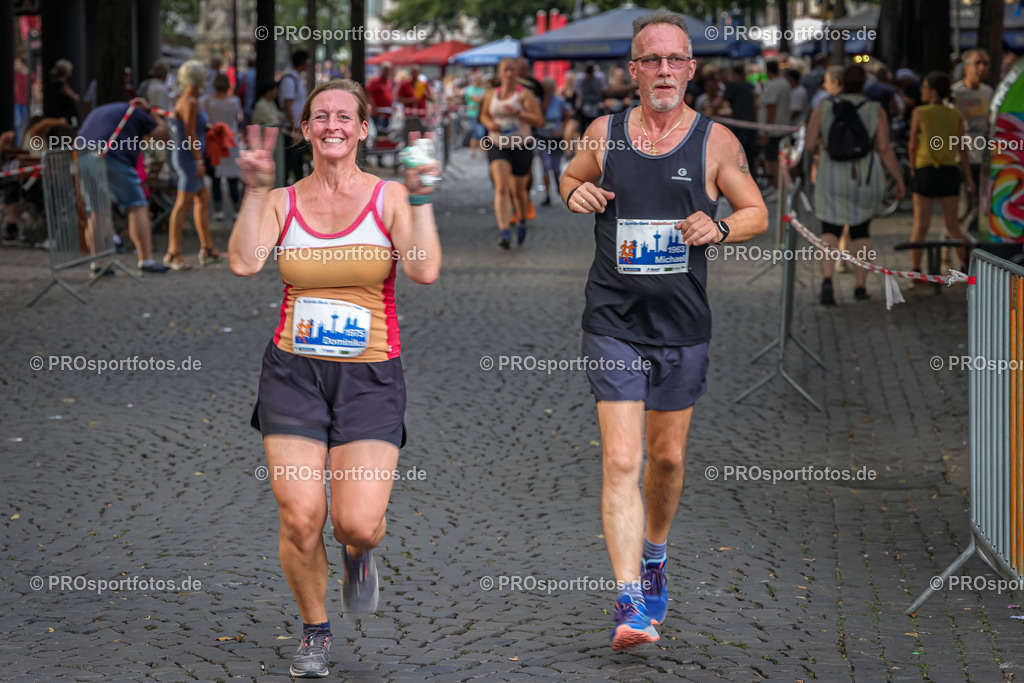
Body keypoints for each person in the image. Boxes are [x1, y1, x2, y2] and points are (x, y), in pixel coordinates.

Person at [560, 9, 768, 651]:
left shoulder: (715, 142)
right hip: (613, 317)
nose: (664, 70)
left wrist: (722, 227)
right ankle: (629, 603)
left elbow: (757, 211)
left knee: (668, 457)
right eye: (651, 60)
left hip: (682, 322)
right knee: (623, 457)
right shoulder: (605, 131)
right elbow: (570, 177)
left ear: (691, 69)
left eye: (675, 59)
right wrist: (576, 194)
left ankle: (654, 556)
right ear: (633, 70)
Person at [227, 78, 441, 680]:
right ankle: (315, 631)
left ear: (363, 128)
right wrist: (252, 189)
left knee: (356, 523)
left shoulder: (390, 196)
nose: (332, 126)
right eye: (320, 116)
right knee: (300, 517)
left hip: (371, 376)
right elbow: (245, 262)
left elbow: (423, 271)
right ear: (305, 130)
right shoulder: (281, 200)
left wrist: (422, 200)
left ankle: (358, 556)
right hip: (293, 373)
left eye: (344, 116)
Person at [805, 64, 906, 304]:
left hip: (830, 173)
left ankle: (827, 280)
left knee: (829, 229)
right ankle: (860, 286)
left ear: (838, 83)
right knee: (861, 230)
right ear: (864, 84)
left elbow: (809, 145)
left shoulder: (824, 107)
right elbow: (884, 148)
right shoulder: (875, 109)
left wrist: (824, 146)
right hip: (864, 175)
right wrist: (899, 179)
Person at [75, 98, 171, 273]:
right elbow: (162, 136)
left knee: (97, 209)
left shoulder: (103, 110)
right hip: (112, 156)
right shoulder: (138, 113)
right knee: (137, 205)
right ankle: (146, 261)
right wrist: (152, 113)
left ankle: (98, 263)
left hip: (85, 154)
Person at [908, 71, 974, 275]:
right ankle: (964, 267)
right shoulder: (955, 114)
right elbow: (962, 148)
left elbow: (912, 145)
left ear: (932, 91)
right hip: (948, 172)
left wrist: (913, 169)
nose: (922, 91)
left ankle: (916, 271)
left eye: (924, 88)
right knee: (953, 224)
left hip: (925, 170)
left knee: (921, 225)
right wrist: (969, 178)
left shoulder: (920, 112)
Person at [479, 57, 545, 249]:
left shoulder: (525, 95)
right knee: (501, 187)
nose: (509, 74)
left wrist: (518, 113)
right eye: (505, 70)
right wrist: (489, 124)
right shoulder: (491, 95)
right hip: (497, 145)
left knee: (518, 190)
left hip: (521, 146)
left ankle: (522, 219)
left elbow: (539, 121)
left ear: (517, 73)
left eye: (512, 70)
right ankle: (504, 231)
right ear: (499, 72)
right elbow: (483, 114)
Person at [167, 60, 217, 270]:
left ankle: (207, 248)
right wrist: (198, 160)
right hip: (188, 157)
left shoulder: (186, 100)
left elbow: (192, 131)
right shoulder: (190, 102)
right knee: (182, 204)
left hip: (187, 155)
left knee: (202, 198)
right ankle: (173, 253)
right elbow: (190, 134)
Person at [952, 49, 993, 212]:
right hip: (961, 159)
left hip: (983, 158)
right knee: (963, 208)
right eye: (977, 63)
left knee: (981, 208)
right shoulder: (956, 93)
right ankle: (953, 236)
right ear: (966, 67)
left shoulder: (988, 92)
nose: (982, 68)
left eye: (985, 63)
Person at [203, 73, 244, 221]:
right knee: (233, 177)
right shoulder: (235, 101)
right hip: (231, 140)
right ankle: (236, 209)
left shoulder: (208, 101)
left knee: (216, 178)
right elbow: (238, 118)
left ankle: (218, 210)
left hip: (215, 141)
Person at [537, 77, 571, 206]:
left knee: (556, 168)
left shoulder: (559, 101)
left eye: (548, 88)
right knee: (546, 166)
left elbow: (567, 117)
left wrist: (561, 128)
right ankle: (547, 195)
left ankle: (557, 183)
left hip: (556, 139)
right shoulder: (537, 101)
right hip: (542, 138)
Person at [759, 60, 791, 193]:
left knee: (774, 160)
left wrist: (767, 130)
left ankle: (778, 189)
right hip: (783, 127)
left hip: (775, 130)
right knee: (777, 160)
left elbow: (771, 108)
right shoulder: (784, 83)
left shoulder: (774, 85)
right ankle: (776, 188)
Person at [280, 50, 311, 184]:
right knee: (292, 162)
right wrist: (294, 127)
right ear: (303, 62)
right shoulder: (290, 80)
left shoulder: (296, 79)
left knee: (298, 162)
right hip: (293, 128)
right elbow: (288, 105)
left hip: (298, 127)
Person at [397, 65, 434, 137]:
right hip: (409, 116)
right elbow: (399, 98)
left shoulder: (423, 84)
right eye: (413, 72)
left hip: (421, 115)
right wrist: (411, 101)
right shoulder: (404, 84)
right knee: (409, 134)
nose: (415, 74)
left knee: (421, 133)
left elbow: (431, 99)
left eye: (416, 72)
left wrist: (424, 92)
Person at [47, 59, 80, 125]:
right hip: (64, 116)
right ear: (65, 71)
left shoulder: (60, 83)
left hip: (64, 115)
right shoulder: (60, 84)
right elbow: (74, 98)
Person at [463, 71, 487, 158]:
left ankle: (476, 151)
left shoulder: (482, 89)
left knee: (478, 134)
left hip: (481, 114)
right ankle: (482, 150)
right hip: (473, 114)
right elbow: (476, 98)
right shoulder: (470, 88)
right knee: (479, 133)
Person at [366, 63, 394, 133]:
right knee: (377, 132)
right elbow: (370, 95)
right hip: (378, 113)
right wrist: (374, 108)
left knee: (385, 133)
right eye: (385, 70)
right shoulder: (375, 82)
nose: (387, 72)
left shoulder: (389, 82)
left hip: (387, 113)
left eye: (388, 70)